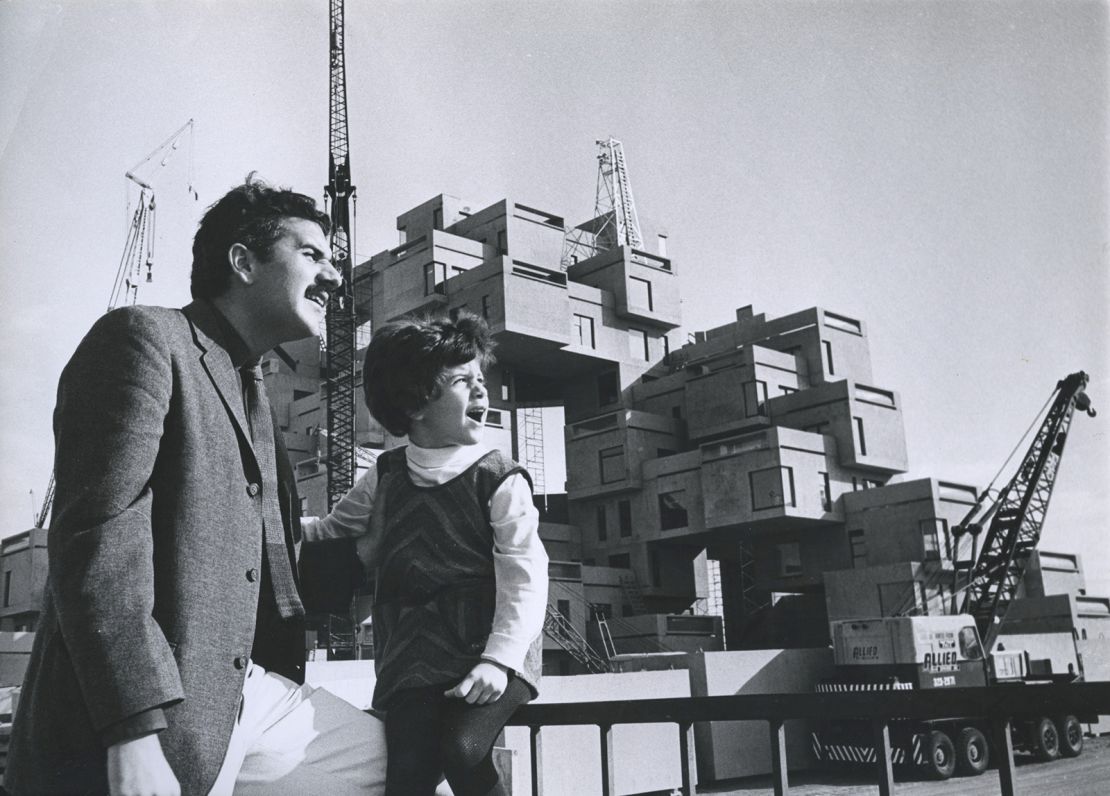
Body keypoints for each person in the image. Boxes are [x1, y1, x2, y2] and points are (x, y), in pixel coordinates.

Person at [6, 176, 388, 796]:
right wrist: (132, 731)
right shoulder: (142, 341)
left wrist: (382, 548)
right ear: (242, 261)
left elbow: (264, 569)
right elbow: (98, 542)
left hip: (242, 697)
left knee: (401, 766)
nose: (335, 276)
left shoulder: (253, 388)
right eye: (312, 254)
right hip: (151, 714)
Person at [302, 312, 548, 796]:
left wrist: (499, 661)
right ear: (414, 403)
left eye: (482, 379)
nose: (482, 392)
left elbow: (526, 574)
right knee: (406, 773)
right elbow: (331, 531)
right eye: (462, 381)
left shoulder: (499, 477)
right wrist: (271, 527)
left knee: (462, 748)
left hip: (490, 652)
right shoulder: (386, 475)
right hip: (411, 661)